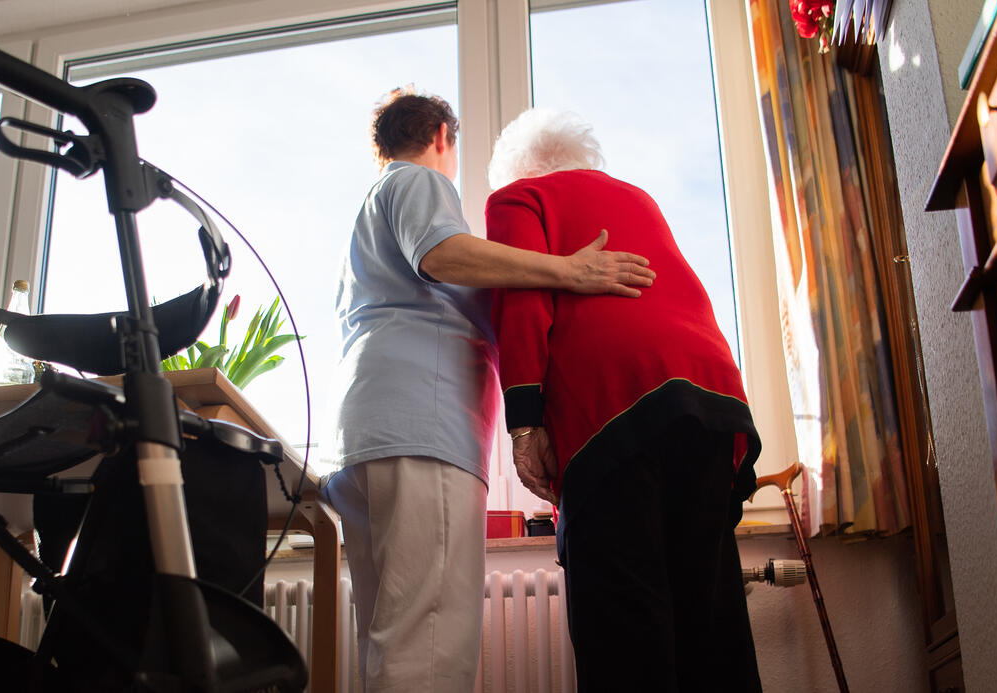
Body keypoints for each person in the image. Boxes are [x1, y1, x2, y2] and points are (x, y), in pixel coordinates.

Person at [321, 89, 656, 692]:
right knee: (429, 646)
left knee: (390, 640)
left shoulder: (369, 219)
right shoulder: (416, 182)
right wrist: (569, 270)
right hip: (420, 432)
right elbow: (446, 254)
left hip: (367, 437)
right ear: (444, 138)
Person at [485, 108, 762, 692]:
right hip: (711, 403)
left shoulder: (517, 200)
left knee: (627, 634)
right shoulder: (638, 198)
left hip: (613, 411)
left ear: (515, 171)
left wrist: (525, 425)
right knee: (710, 630)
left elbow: (524, 306)